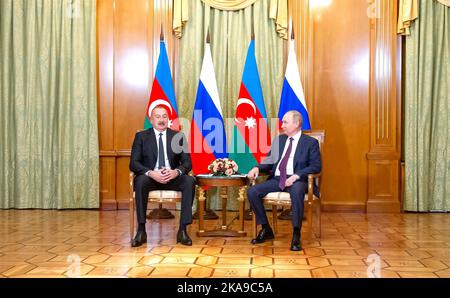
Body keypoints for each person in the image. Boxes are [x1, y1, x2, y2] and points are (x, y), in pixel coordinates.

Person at [247, 110, 321, 251]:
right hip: (278, 179)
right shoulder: (279, 140)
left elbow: (316, 166)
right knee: (252, 191)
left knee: (298, 191)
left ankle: (296, 234)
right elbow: (270, 161)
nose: (282, 125)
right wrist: (257, 167)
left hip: (297, 180)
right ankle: (266, 228)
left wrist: (297, 176)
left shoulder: (310, 142)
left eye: (285, 122)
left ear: (297, 123)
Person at [129, 106, 195, 247]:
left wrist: (175, 172)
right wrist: (151, 173)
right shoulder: (142, 136)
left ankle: (182, 230)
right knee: (140, 181)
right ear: (151, 120)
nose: (161, 120)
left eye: (164, 116)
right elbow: (134, 163)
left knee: (189, 181)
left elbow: (187, 163)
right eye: (157, 117)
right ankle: (141, 230)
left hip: (172, 178)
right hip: (150, 178)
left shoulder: (177, 137)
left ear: (168, 119)